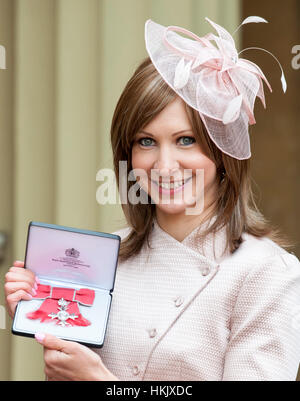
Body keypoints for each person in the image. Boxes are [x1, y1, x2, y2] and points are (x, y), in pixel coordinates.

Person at [4, 17, 300, 381]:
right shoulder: (105, 259)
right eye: (146, 142)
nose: (164, 165)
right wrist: (43, 319)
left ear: (223, 152)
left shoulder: (267, 273)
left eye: (185, 140)